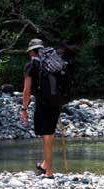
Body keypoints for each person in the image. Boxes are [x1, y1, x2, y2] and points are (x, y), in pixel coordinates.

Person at [20, 38, 68, 179]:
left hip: (43, 103)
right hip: (56, 102)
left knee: (46, 137)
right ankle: (45, 165)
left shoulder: (31, 66)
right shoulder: (52, 64)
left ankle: (49, 172)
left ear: (31, 52)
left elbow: (26, 90)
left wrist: (24, 108)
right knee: (50, 135)